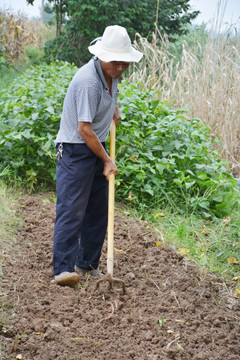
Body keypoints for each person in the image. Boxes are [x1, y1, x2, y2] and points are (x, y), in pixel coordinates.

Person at [53, 25, 143, 286]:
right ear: (102, 56)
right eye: (116, 62)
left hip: (96, 146)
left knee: (97, 210)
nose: (120, 67)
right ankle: (62, 270)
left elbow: (106, 97)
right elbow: (83, 129)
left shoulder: (110, 74)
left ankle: (87, 264)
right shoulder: (88, 81)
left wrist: (113, 106)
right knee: (72, 209)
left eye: (124, 62)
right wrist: (107, 159)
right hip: (75, 149)